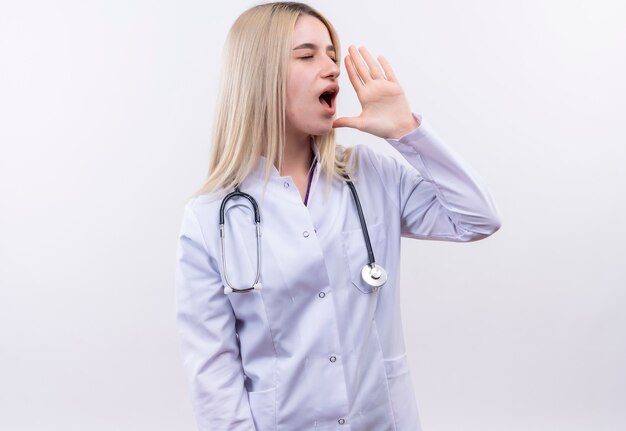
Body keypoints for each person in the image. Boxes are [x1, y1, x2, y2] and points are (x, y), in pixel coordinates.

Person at [175, 2, 501, 430]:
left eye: (331, 53)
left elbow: (477, 218)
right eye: (307, 55)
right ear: (260, 74)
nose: (331, 68)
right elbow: (213, 372)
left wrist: (406, 131)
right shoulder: (210, 216)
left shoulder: (371, 174)